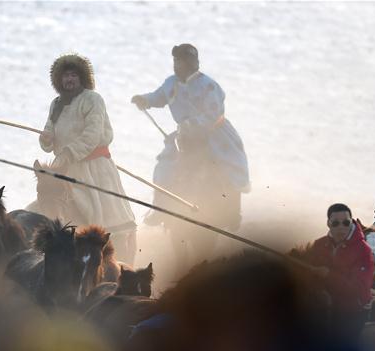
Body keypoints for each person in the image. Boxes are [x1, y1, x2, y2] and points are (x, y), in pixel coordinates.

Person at [131, 44, 250, 270]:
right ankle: (160, 207)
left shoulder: (209, 86)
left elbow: (213, 114)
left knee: (232, 165)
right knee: (164, 166)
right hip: (184, 136)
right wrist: (144, 100)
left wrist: (193, 125)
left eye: (183, 61)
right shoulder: (170, 83)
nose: (179, 65)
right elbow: (158, 97)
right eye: (176, 61)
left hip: (213, 134)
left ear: (194, 62)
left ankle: (232, 211)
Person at [39, 54, 138, 264]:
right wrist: (46, 140)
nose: (69, 79)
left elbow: (92, 136)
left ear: (82, 77)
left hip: (95, 170)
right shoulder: (56, 104)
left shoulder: (93, 99)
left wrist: (68, 153)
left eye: (74, 74)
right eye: (65, 75)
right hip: (64, 170)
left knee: (105, 219)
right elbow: (49, 134)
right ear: (59, 79)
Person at [307, 203, 375, 339]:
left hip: (351, 311)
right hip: (322, 306)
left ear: (351, 222)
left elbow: (359, 288)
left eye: (346, 223)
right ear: (328, 223)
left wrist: (328, 275)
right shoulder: (319, 245)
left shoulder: (364, 251)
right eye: (336, 223)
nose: (341, 227)